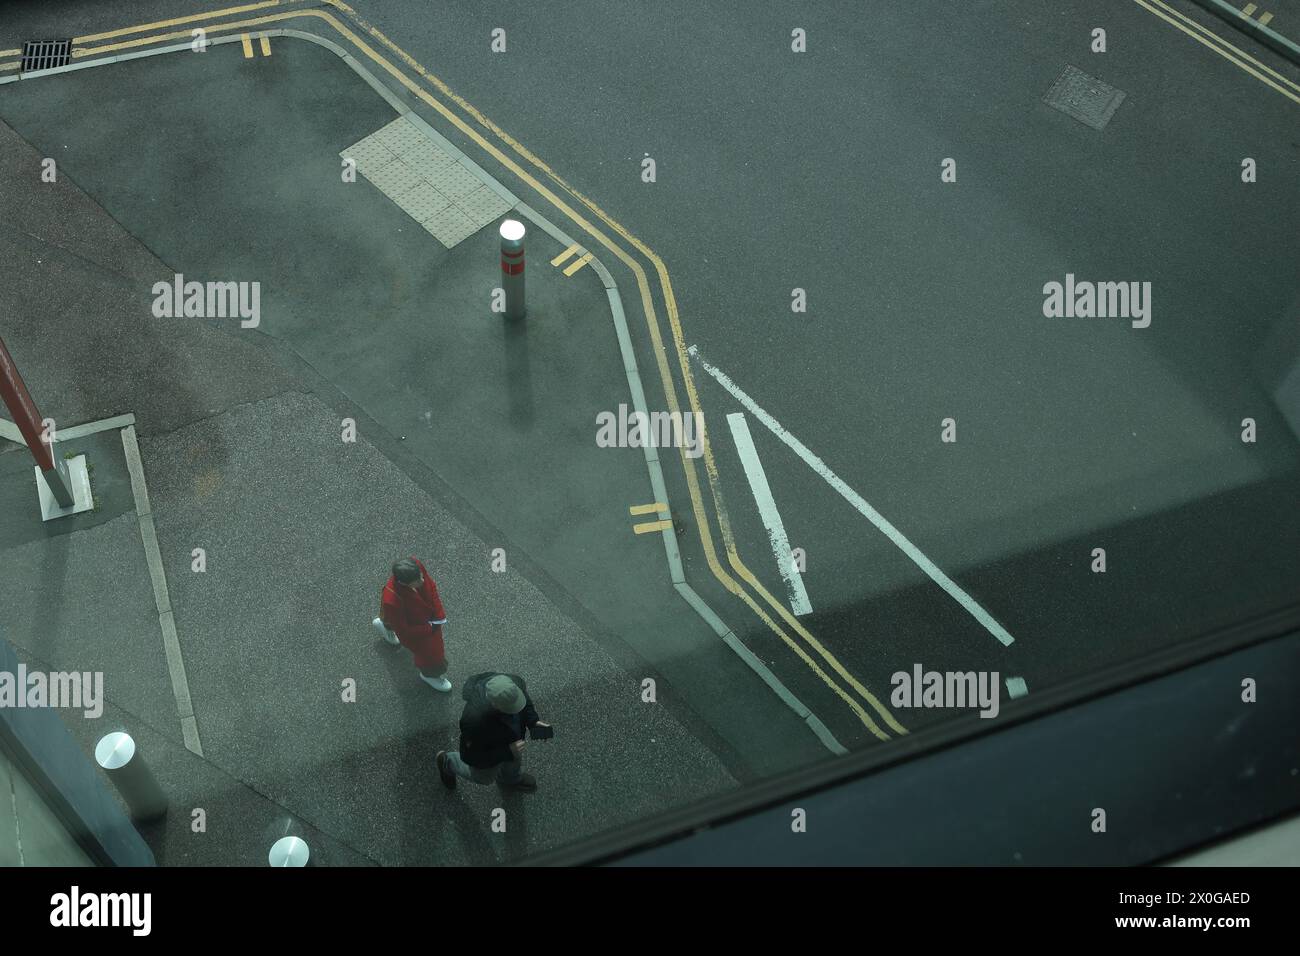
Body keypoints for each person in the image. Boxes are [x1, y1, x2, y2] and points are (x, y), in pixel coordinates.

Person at [437, 673, 549, 793]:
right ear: (494, 704)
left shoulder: (512, 685)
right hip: (492, 748)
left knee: (513, 758)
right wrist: (507, 751)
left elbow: (524, 702)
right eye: (511, 709)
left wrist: (533, 721)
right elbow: (473, 756)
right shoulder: (473, 722)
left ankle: (510, 780)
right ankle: (447, 761)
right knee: (483, 778)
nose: (517, 710)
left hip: (511, 740)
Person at [375, 557, 451, 692]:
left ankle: (386, 626)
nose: (422, 580)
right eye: (417, 581)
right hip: (420, 628)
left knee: (391, 620)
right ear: (403, 583)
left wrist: (439, 614)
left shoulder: (415, 566)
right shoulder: (391, 600)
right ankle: (430, 675)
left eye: (420, 577)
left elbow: (430, 585)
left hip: (418, 620)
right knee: (431, 655)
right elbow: (404, 632)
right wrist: (429, 628)